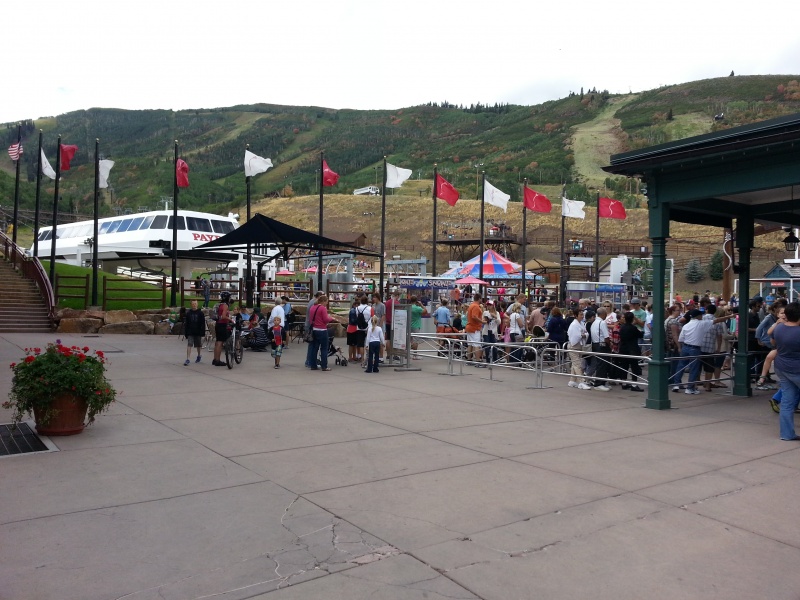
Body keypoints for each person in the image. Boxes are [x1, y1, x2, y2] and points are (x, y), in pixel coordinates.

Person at [770, 301, 800, 440]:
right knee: (788, 401)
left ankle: (787, 434)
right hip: (796, 369)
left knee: (787, 402)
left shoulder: (779, 329)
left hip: (781, 367)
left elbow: (773, 343)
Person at [617, 311, 644, 391]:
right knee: (634, 367)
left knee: (624, 366)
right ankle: (634, 384)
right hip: (632, 349)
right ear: (632, 319)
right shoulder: (633, 328)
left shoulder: (622, 327)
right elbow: (640, 335)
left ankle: (624, 382)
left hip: (623, 348)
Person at [308, 294, 336, 371]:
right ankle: (324, 366)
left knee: (314, 348)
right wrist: (331, 318)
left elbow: (310, 319)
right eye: (326, 302)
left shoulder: (312, 307)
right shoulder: (322, 308)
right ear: (323, 301)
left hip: (314, 329)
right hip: (322, 330)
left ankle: (313, 365)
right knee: (324, 348)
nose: (327, 304)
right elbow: (326, 319)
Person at [567, 309, 591, 390]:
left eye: (582, 314)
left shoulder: (581, 323)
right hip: (573, 346)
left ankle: (572, 380)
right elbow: (576, 336)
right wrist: (583, 335)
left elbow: (585, 333)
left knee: (575, 364)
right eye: (580, 314)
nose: (582, 316)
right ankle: (581, 381)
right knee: (578, 364)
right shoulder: (574, 324)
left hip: (579, 345)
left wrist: (583, 335)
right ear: (576, 315)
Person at [589, 307, 611, 391]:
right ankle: (599, 383)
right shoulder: (602, 322)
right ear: (603, 314)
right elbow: (606, 337)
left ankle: (602, 382)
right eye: (605, 314)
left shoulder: (594, 322)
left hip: (595, 344)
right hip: (602, 345)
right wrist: (609, 344)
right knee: (602, 364)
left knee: (600, 364)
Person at [304, 290, 324, 369]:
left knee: (311, 344)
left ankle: (309, 361)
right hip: (311, 326)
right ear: (319, 296)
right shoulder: (314, 303)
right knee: (312, 344)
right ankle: (310, 361)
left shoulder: (311, 301)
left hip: (309, 325)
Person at [212, 291, 232, 367]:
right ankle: (218, 360)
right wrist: (230, 319)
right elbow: (223, 316)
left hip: (218, 324)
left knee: (217, 342)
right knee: (220, 343)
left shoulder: (220, 304)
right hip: (222, 324)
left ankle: (215, 359)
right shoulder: (225, 306)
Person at [183, 300, 205, 365]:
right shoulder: (188, 313)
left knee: (198, 345)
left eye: (195, 304)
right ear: (191, 305)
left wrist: (202, 332)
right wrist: (186, 332)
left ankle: (199, 355)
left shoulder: (200, 313)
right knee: (189, 344)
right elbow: (186, 323)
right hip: (190, 331)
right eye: (193, 304)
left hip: (198, 331)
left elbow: (202, 323)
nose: (194, 305)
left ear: (197, 304)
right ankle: (188, 358)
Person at [465, 293, 485, 365]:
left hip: (469, 327)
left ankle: (469, 359)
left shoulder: (471, 305)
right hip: (475, 327)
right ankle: (478, 360)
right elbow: (474, 316)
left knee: (470, 344)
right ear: (479, 298)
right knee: (477, 344)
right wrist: (482, 321)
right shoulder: (476, 306)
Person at [355, 296, 371, 366]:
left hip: (359, 328)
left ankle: (362, 359)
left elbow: (357, 316)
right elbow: (372, 317)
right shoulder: (370, 308)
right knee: (367, 343)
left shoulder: (357, 308)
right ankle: (367, 359)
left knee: (361, 344)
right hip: (368, 327)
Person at [384, 290, 401, 360]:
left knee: (388, 339)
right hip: (395, 323)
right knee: (395, 339)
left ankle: (388, 354)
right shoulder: (397, 303)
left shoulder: (387, 302)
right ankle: (395, 354)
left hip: (387, 322)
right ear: (397, 296)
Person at [372, 293, 386, 361]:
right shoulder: (373, 305)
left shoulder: (382, 305)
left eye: (375, 297)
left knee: (380, 341)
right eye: (373, 297)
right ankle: (375, 355)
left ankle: (381, 357)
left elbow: (383, 315)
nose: (373, 299)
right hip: (374, 324)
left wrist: (380, 325)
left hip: (380, 324)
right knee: (375, 340)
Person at [346, 298, 360, 363]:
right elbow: (353, 321)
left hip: (352, 328)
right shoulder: (353, 311)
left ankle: (353, 357)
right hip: (352, 328)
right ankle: (351, 357)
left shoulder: (353, 310)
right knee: (352, 344)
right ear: (355, 305)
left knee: (354, 344)